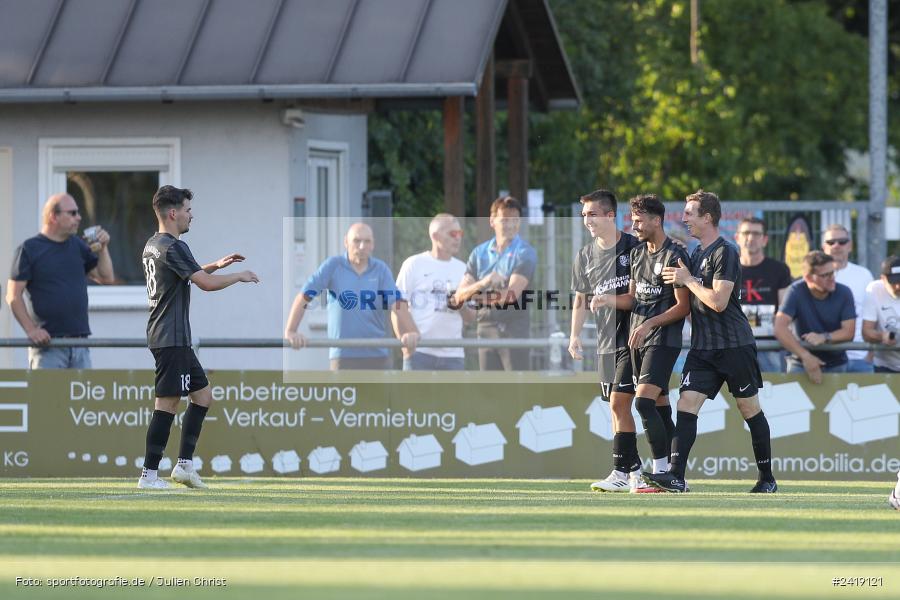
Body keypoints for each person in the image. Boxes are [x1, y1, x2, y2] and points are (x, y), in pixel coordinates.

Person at [646, 189, 776, 494]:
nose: (684, 217)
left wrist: (688, 280)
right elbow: (693, 305)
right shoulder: (693, 254)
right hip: (703, 348)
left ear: (708, 217)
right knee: (686, 403)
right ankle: (676, 476)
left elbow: (718, 302)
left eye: (690, 212)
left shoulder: (725, 251)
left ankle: (767, 478)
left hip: (734, 346)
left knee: (749, 410)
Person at [138, 185, 259, 490]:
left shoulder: (154, 244)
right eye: (188, 210)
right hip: (171, 337)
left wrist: (216, 265)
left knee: (203, 397)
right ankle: (149, 476)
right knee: (166, 404)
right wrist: (238, 277)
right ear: (174, 213)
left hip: (171, 336)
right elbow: (203, 284)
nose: (192, 215)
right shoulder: (174, 246)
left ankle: (184, 466)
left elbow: (188, 273)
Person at [568, 189, 648, 492]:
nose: (587, 220)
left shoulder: (633, 247)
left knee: (620, 404)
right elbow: (580, 298)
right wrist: (574, 336)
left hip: (632, 339)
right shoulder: (585, 255)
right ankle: (629, 473)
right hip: (604, 344)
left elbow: (636, 295)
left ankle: (628, 471)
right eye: (584, 215)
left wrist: (609, 300)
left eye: (592, 214)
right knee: (616, 410)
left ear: (610, 216)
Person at [284, 223, 419, 370]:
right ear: (346, 242)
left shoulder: (381, 270)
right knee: (342, 394)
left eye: (367, 241)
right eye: (356, 240)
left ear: (373, 244)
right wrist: (291, 331)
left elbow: (397, 304)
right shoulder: (333, 266)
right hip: (343, 355)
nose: (362, 246)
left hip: (377, 355)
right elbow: (304, 296)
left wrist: (412, 332)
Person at [623, 194, 690, 482]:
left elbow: (683, 307)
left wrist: (650, 323)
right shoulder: (637, 254)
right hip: (638, 338)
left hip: (663, 339)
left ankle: (661, 470)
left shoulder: (675, 254)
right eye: (633, 220)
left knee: (643, 403)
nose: (634, 225)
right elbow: (632, 298)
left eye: (639, 220)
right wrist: (600, 299)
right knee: (660, 406)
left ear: (656, 220)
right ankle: (675, 475)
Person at [6, 193, 115, 369]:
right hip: (48, 346)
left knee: (82, 397)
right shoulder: (29, 249)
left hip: (80, 344)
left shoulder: (78, 246)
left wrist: (103, 249)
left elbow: (106, 278)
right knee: (47, 397)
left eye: (78, 213)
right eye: (72, 213)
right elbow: (13, 296)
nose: (78, 218)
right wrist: (31, 330)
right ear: (53, 216)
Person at [453, 196, 537, 371]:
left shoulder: (525, 253)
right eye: (505, 220)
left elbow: (510, 296)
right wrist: (485, 281)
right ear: (492, 221)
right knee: (489, 392)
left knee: (517, 392)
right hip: (485, 329)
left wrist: (475, 298)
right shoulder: (479, 253)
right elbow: (459, 295)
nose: (511, 225)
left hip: (514, 330)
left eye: (515, 220)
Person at [394, 214, 473, 370]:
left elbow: (471, 317)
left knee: (452, 396)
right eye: (452, 234)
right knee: (414, 396)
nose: (458, 238)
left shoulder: (464, 269)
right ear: (435, 236)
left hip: (453, 356)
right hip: (419, 353)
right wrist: (404, 345)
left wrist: (460, 304)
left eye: (460, 234)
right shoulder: (414, 264)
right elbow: (396, 306)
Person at [774, 251, 856, 383]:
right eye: (825, 275)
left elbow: (849, 332)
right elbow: (779, 328)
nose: (832, 278)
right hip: (800, 364)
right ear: (808, 278)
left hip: (836, 363)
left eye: (833, 272)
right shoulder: (795, 291)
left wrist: (824, 337)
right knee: (795, 404)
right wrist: (806, 357)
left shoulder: (844, 292)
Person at [734, 217, 793, 372]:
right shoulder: (727, 269)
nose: (751, 238)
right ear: (737, 238)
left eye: (756, 233)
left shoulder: (779, 270)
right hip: (735, 346)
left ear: (765, 239)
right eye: (746, 233)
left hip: (770, 346)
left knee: (771, 393)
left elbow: (785, 309)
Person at [822, 224, 873, 372]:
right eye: (831, 242)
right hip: (824, 357)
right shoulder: (813, 278)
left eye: (842, 241)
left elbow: (873, 316)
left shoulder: (864, 275)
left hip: (859, 355)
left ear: (850, 245)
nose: (836, 245)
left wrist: (871, 354)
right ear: (823, 246)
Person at [861, 256, 900, 373]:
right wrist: (882, 336)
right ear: (883, 278)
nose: (898, 286)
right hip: (885, 366)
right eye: (894, 282)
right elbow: (866, 332)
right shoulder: (873, 290)